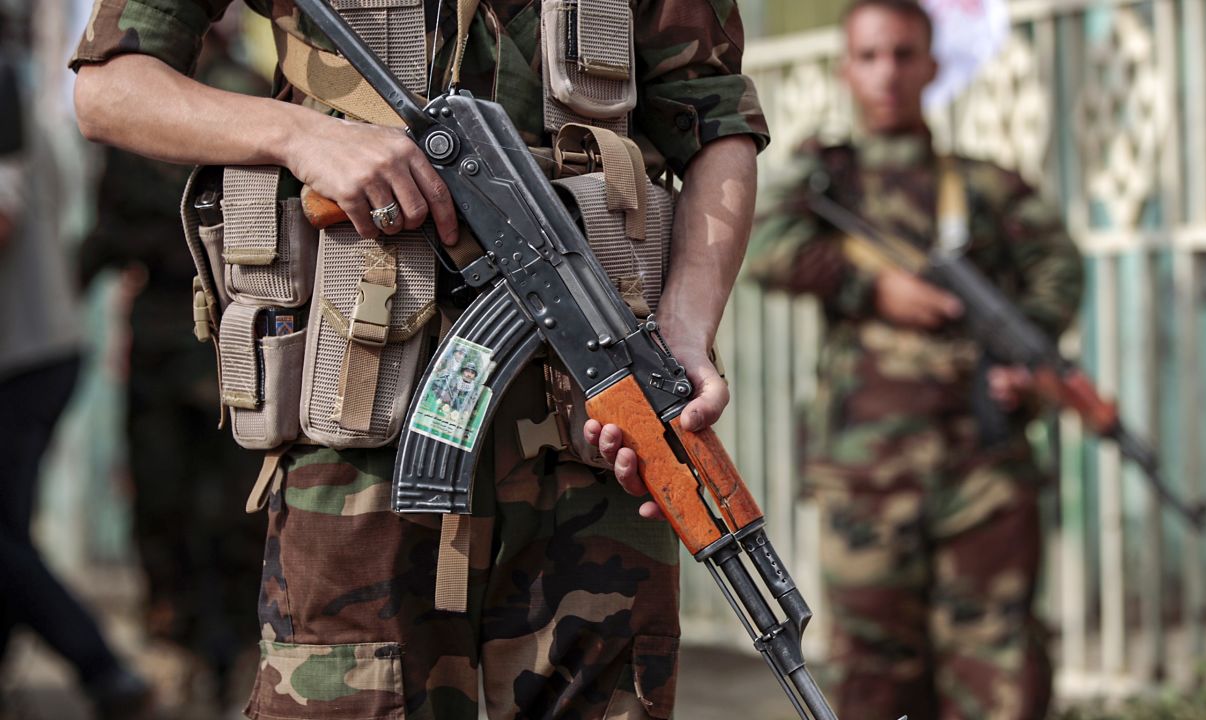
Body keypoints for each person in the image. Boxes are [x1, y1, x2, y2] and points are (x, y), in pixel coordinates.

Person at [71, 2, 766, 719]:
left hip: (595, 432)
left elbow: (717, 127)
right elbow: (110, 88)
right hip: (358, 432)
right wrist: (300, 136)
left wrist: (684, 333)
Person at [748, 2, 1083, 718]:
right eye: (869, 56)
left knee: (1001, 674)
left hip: (984, 475)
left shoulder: (987, 186)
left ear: (933, 66)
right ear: (846, 69)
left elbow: (1058, 268)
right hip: (867, 478)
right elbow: (766, 249)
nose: (887, 73)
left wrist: (1025, 354)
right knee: (873, 679)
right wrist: (873, 288)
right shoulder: (828, 183)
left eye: (904, 54)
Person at [77, 11, 270, 710]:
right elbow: (107, 228)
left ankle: (222, 653)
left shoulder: (243, 95)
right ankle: (195, 650)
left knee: (220, 512)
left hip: (225, 341)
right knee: (177, 508)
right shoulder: (153, 97)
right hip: (188, 341)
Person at [0, 3, 150, 718]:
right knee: (7, 531)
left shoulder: (9, 92)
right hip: (35, 350)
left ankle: (103, 669)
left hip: (24, 357)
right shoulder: (26, 88)